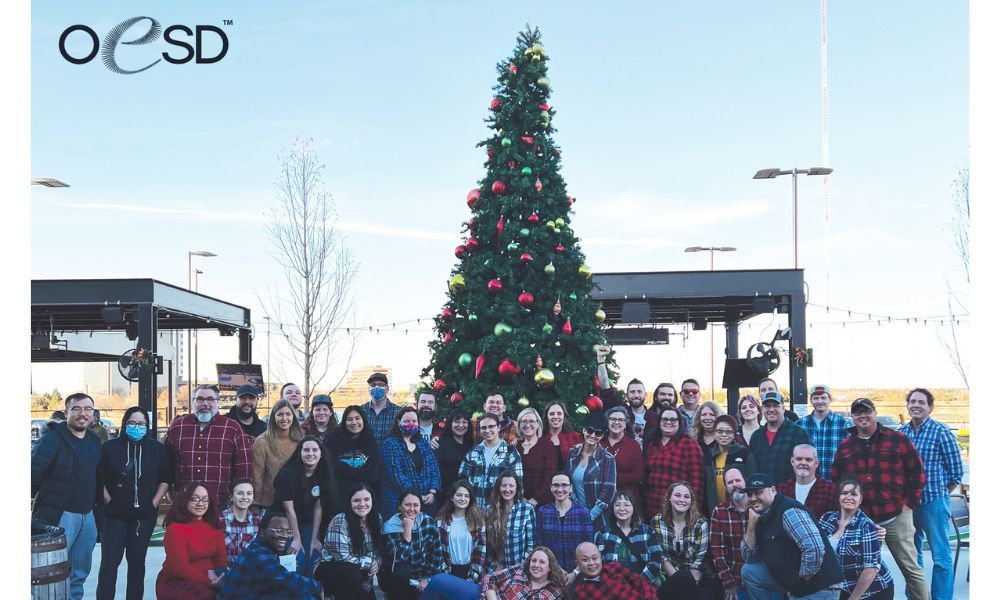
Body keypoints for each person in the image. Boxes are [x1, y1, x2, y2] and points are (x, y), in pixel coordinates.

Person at [832, 398, 928, 600]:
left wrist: (909, 504)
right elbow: (837, 481)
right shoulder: (845, 447)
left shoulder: (898, 439)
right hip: (861, 520)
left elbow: (918, 472)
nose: (863, 416)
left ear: (875, 413)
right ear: (852, 417)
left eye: (866, 411)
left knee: (911, 569)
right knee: (856, 569)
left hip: (895, 516)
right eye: (858, 412)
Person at [95, 406, 173, 600]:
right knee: (109, 564)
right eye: (132, 423)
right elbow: (99, 478)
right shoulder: (109, 448)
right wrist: (108, 501)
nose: (137, 427)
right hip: (115, 516)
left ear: (147, 426)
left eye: (141, 424)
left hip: (143, 517)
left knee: (137, 563)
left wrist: (154, 503)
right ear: (124, 424)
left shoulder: (157, 449)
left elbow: (166, 478)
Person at [31, 392, 102, 600]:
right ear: (66, 412)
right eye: (76, 408)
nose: (83, 413)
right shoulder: (52, 439)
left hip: (87, 517)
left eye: (88, 409)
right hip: (60, 516)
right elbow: (33, 473)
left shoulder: (94, 441)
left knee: (79, 573)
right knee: (52, 572)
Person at [900, 387, 964, 600]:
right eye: (913, 401)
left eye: (921, 402)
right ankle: (917, 596)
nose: (916, 405)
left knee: (941, 557)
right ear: (908, 405)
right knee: (912, 556)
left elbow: (956, 473)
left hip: (934, 504)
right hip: (909, 505)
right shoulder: (903, 433)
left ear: (930, 407)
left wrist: (939, 494)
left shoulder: (941, 431)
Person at [740, 473, 842, 600]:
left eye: (758, 492)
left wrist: (802, 578)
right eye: (749, 494)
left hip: (819, 587)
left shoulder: (788, 511)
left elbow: (815, 548)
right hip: (793, 580)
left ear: (773, 490)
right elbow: (749, 558)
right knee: (749, 571)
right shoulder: (759, 515)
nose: (753, 498)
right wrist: (751, 524)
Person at [165, 384, 253, 508]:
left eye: (210, 399)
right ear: (193, 402)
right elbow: (167, 464)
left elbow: (243, 469)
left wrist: (238, 499)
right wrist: (168, 490)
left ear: (217, 402)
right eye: (200, 399)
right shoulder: (178, 427)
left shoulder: (232, 428)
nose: (205, 404)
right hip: (183, 502)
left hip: (220, 503)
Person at [217, 509, 324, 599]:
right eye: (278, 531)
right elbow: (285, 579)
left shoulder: (263, 550)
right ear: (262, 533)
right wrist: (317, 587)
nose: (284, 536)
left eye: (287, 532)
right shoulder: (258, 553)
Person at [270, 435, 338, 574]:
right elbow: (289, 510)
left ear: (321, 453)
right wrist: (296, 539)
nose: (311, 454)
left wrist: (315, 539)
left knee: (313, 556)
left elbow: (318, 507)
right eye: (306, 450)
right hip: (285, 523)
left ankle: (312, 594)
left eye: (315, 450)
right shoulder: (287, 475)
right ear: (300, 453)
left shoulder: (323, 474)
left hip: (307, 523)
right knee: (296, 559)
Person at [818, 477, 894, 600]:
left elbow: (872, 568)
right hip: (842, 588)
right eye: (844, 493)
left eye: (854, 494)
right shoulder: (826, 519)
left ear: (860, 499)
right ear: (839, 497)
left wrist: (853, 598)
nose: (849, 497)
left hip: (873, 591)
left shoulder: (866, 526)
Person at [155, 482, 229, 600]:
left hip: (210, 576)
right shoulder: (175, 529)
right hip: (177, 580)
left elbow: (220, 560)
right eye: (195, 499)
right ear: (185, 501)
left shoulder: (215, 527)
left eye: (205, 500)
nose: (201, 504)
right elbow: (180, 567)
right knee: (205, 595)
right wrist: (209, 582)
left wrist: (221, 577)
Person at [650, 481, 722, 600]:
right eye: (677, 495)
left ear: (691, 501)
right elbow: (661, 557)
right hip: (669, 576)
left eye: (686, 496)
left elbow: (700, 559)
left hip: (697, 577)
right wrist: (679, 581)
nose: (682, 499)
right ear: (669, 498)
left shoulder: (701, 524)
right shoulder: (657, 521)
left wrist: (688, 583)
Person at [314, 483, 384, 599]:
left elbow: (378, 548)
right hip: (331, 569)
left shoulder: (377, 519)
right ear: (349, 503)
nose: (362, 504)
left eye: (366, 499)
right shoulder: (340, 522)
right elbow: (343, 558)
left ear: (372, 501)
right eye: (356, 500)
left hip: (360, 570)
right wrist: (370, 563)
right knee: (351, 572)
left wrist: (377, 562)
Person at [420, 480, 489, 599]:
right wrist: (445, 573)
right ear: (452, 497)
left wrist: (472, 578)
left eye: (467, 496)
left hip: (471, 571)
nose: (463, 499)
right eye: (459, 495)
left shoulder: (478, 521)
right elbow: (438, 551)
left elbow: (481, 552)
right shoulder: (441, 521)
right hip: (448, 570)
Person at [643, 405, 704, 521]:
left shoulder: (688, 444)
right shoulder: (653, 444)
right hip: (651, 506)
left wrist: (693, 510)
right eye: (665, 419)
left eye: (673, 419)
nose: (668, 422)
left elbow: (697, 482)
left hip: (678, 509)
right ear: (659, 422)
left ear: (679, 422)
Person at [382, 491, 445, 598]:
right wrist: (407, 530)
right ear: (399, 506)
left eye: (416, 505)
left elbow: (436, 554)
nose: (412, 509)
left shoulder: (428, 522)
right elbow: (400, 557)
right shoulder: (390, 526)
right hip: (400, 578)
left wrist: (427, 579)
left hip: (424, 575)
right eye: (407, 505)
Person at [593, 490, 663, 587]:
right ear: (612, 508)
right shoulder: (604, 532)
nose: (622, 508)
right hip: (613, 586)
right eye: (617, 505)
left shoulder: (647, 531)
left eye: (626, 505)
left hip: (643, 585)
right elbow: (599, 562)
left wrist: (640, 583)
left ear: (634, 507)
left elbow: (656, 560)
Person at [382, 407, 442, 519]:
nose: (411, 424)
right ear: (398, 422)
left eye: (414, 421)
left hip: (427, 503)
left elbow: (434, 469)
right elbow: (396, 475)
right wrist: (417, 496)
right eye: (406, 421)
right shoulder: (390, 444)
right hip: (400, 503)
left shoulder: (423, 443)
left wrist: (432, 492)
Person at [459, 411, 523, 511]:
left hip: (500, 511)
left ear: (498, 427)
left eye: (491, 427)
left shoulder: (510, 452)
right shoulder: (473, 452)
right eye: (483, 428)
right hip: (475, 511)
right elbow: (462, 482)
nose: (487, 430)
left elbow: (519, 484)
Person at [252, 399, 305, 512]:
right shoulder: (262, 442)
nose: (284, 418)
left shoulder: (301, 439)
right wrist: (255, 503)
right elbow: (257, 475)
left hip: (296, 502)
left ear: (293, 416)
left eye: (288, 414)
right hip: (270, 503)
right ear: (273, 417)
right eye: (280, 414)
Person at [565, 411, 618, 526]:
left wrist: (590, 517)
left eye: (598, 433)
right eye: (590, 431)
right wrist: (575, 512)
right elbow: (567, 483)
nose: (593, 435)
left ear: (602, 436)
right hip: (573, 513)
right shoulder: (572, 453)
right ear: (584, 430)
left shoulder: (607, 458)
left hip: (597, 518)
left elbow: (608, 493)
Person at [328, 404, 383, 512]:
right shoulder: (335, 437)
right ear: (344, 421)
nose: (354, 422)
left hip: (364, 490)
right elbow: (332, 462)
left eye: (357, 418)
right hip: (340, 491)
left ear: (363, 420)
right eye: (349, 419)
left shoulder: (369, 438)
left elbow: (371, 464)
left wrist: (360, 477)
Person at [747, 391, 810, 485]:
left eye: (776, 405)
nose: (771, 409)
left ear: (783, 408)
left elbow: (809, 466)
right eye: (767, 406)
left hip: (789, 494)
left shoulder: (798, 433)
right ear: (762, 409)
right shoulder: (756, 436)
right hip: (762, 493)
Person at [709, 467, 752, 600]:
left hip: (762, 581)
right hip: (735, 581)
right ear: (726, 487)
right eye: (730, 482)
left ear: (745, 481)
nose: (735, 485)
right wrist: (728, 583)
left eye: (738, 480)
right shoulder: (719, 511)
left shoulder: (758, 506)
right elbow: (717, 552)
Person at [538, 473, 594, 571]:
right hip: (551, 571)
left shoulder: (582, 512)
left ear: (571, 487)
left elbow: (588, 546)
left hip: (579, 572)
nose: (560, 489)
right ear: (551, 487)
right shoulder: (543, 512)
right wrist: (557, 569)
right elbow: (540, 545)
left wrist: (576, 572)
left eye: (564, 485)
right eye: (556, 485)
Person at [703, 415, 757, 513]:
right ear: (714, 433)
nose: (724, 435)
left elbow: (752, 484)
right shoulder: (708, 456)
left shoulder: (744, 454)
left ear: (734, 434)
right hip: (714, 511)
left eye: (728, 431)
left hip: (740, 510)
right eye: (719, 431)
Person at [568, 541, 658, 599]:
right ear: (578, 563)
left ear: (600, 558)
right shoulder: (579, 593)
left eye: (594, 558)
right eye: (585, 560)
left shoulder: (614, 568)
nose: (591, 563)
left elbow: (642, 582)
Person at [486, 470, 538, 570]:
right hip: (496, 569)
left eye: (511, 486)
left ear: (517, 488)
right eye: (504, 485)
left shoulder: (526, 509)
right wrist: (494, 565)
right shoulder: (489, 510)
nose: (507, 489)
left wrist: (520, 568)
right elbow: (488, 546)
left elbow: (531, 545)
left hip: (520, 570)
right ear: (498, 487)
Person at [795, 385, 848, 481]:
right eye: (816, 398)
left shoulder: (843, 423)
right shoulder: (800, 424)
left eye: (823, 398)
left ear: (829, 400)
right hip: (807, 483)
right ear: (811, 400)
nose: (820, 401)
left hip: (835, 482)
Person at [481, 546, 567, 600]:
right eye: (533, 560)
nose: (536, 565)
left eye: (542, 562)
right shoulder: (521, 569)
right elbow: (490, 578)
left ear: (550, 568)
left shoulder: (553, 591)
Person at [776, 444, 838, 519]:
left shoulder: (830, 490)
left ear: (816, 463)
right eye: (799, 459)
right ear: (792, 461)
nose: (803, 463)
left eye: (808, 460)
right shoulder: (782, 489)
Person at [514, 407, 558, 507]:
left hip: (543, 503)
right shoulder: (515, 447)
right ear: (519, 424)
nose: (527, 424)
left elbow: (550, 475)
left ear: (538, 424)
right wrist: (520, 498)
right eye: (524, 421)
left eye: (531, 421)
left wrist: (535, 499)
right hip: (518, 502)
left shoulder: (547, 446)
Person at [601, 406, 644, 499]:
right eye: (612, 419)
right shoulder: (599, 442)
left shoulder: (633, 445)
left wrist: (612, 477)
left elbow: (638, 474)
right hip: (601, 494)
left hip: (625, 497)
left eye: (620, 419)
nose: (616, 422)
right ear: (607, 422)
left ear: (626, 423)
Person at [435, 407, 474, 497]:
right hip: (445, 494)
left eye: (464, 422)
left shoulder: (471, 445)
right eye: (457, 422)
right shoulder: (440, 443)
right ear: (450, 423)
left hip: (465, 495)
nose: (461, 425)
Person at [220, 480, 261, 566]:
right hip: (226, 573)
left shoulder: (259, 521)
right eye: (240, 493)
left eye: (249, 493)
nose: (245, 497)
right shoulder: (220, 520)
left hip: (252, 573)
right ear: (231, 497)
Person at [360, 371, 399, 447]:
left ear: (387, 388)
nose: (376, 387)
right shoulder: (360, 411)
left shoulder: (398, 412)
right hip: (366, 457)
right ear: (369, 389)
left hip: (389, 457)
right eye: (373, 385)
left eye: (380, 385)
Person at [543, 400, 583, 470]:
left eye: (559, 413)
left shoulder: (576, 437)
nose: (555, 416)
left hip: (570, 479)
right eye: (551, 414)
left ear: (564, 417)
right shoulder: (541, 439)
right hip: (546, 480)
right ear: (546, 417)